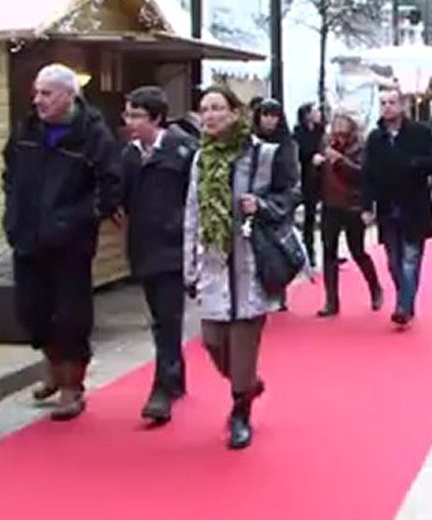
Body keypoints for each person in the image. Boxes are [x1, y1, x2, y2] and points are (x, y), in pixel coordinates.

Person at [3, 63, 122, 421]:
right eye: (36, 92)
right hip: (27, 236)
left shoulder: (93, 135)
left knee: (71, 316)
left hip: (70, 243)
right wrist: (12, 214)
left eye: (46, 93)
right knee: (31, 312)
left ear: (69, 97)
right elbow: (9, 172)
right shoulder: (26, 129)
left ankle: (72, 385)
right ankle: (54, 368)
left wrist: (83, 217)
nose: (38, 100)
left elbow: (110, 183)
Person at [184, 86, 300, 449]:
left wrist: (262, 205)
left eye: (217, 108)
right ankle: (247, 384)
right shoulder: (201, 159)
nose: (209, 116)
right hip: (216, 261)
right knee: (214, 341)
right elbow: (191, 213)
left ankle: (240, 411)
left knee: (244, 340)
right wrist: (189, 265)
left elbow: (292, 194)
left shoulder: (263, 154)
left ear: (235, 113)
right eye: (204, 110)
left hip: (252, 260)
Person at [120, 86, 198, 424]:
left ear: (156, 118)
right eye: (128, 115)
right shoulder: (129, 156)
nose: (130, 122)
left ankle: (162, 388)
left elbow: (194, 199)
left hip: (173, 247)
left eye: (137, 115)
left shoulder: (182, 151)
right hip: (142, 245)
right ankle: (176, 375)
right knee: (159, 318)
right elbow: (119, 194)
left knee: (169, 318)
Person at [362, 88, 432, 327]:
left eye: (392, 102)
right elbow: (367, 175)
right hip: (388, 207)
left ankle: (403, 307)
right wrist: (367, 206)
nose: (387, 107)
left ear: (402, 106)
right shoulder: (376, 138)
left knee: (410, 258)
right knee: (393, 261)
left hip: (414, 205)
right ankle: (405, 297)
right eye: (383, 103)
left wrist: (415, 164)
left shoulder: (420, 133)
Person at [314, 108, 383, 316]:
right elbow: (317, 174)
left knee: (357, 250)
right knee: (328, 252)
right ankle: (331, 300)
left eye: (343, 134)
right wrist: (316, 165)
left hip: (352, 205)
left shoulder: (361, 148)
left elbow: (363, 175)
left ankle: (375, 287)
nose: (339, 138)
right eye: (335, 133)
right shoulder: (325, 144)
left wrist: (341, 161)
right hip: (329, 204)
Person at [251, 99, 299, 312]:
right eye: (265, 115)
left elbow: (292, 177)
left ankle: (278, 290)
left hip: (279, 200)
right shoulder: (250, 142)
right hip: (254, 199)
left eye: (274, 116)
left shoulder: (287, 144)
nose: (269, 120)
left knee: (277, 248)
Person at [293, 102, 326, 269]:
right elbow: (300, 152)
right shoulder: (299, 132)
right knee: (308, 217)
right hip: (305, 177)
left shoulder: (320, 130)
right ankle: (306, 251)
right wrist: (312, 156)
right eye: (315, 111)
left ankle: (321, 251)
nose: (318, 113)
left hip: (321, 176)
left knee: (316, 216)